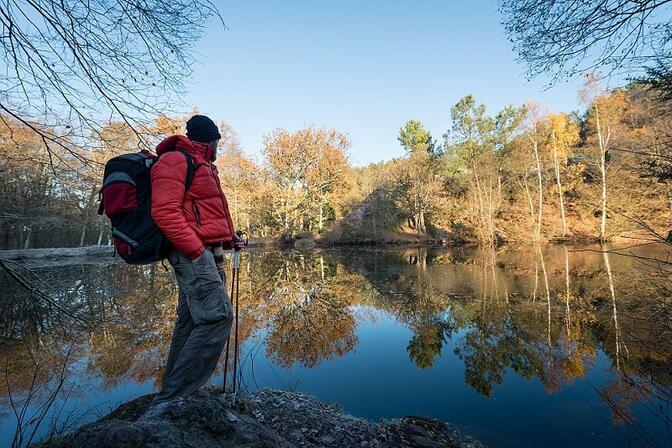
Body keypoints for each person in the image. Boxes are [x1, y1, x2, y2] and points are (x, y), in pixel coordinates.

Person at [149, 115, 244, 405]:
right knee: (218, 317)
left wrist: (228, 239)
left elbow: (202, 215)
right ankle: (175, 398)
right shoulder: (176, 161)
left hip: (206, 250)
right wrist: (195, 250)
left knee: (190, 322)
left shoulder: (204, 166)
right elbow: (164, 212)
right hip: (192, 253)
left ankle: (173, 392)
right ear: (211, 139)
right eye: (218, 141)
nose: (219, 146)